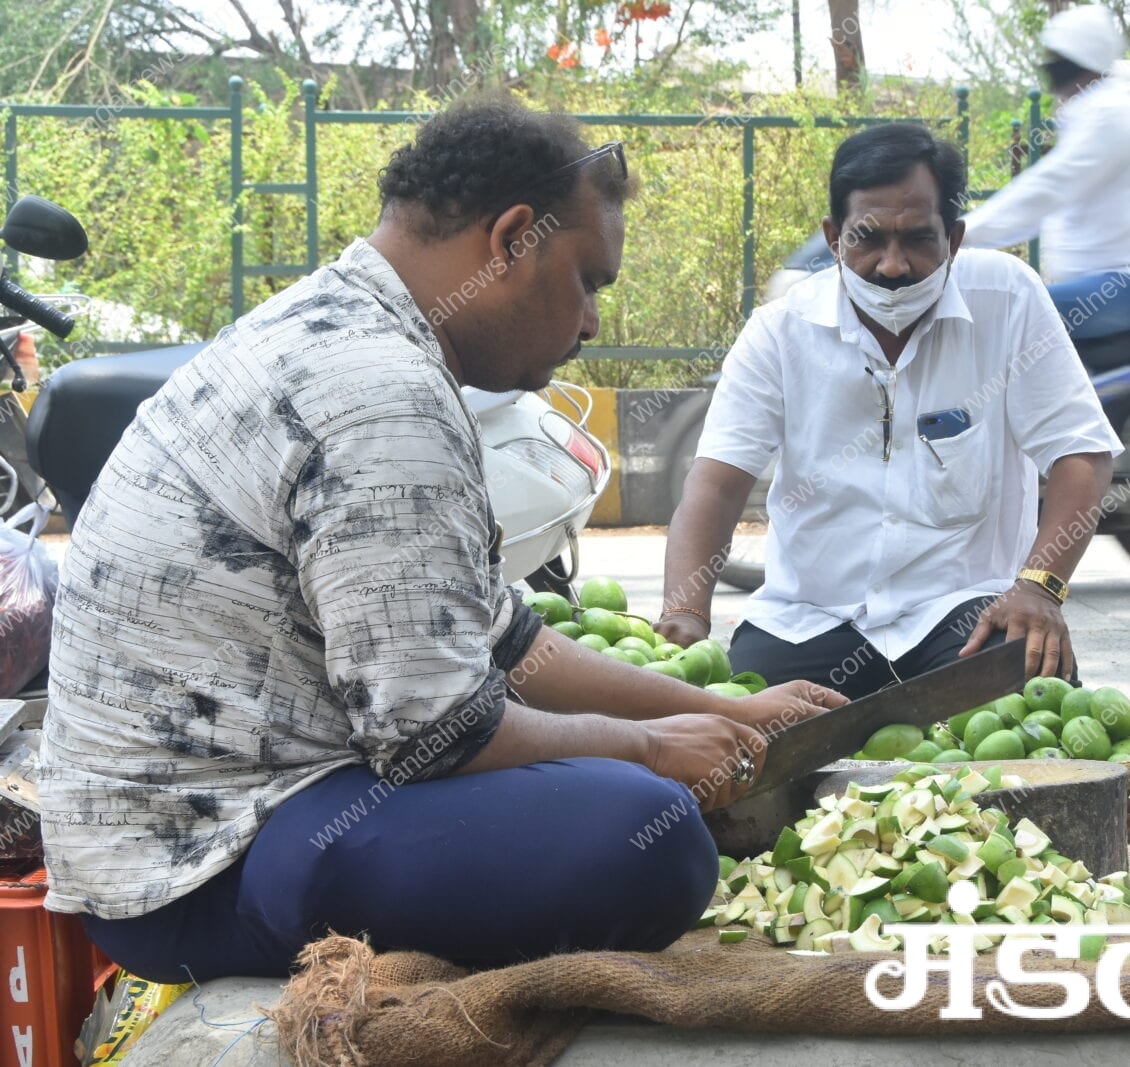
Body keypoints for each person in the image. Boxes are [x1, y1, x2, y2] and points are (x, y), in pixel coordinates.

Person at [36, 95, 844, 984]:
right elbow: (437, 732)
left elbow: (506, 639)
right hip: (204, 866)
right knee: (649, 837)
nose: (592, 326)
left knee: (631, 804)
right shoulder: (382, 393)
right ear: (510, 242)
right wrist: (656, 747)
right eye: (589, 281)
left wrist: (725, 713)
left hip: (230, 822)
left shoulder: (340, 324)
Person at [655, 122, 1121, 701]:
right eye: (868, 238)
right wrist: (686, 616)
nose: (893, 265)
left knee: (1027, 690)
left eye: (918, 240)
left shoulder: (1009, 299)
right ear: (833, 237)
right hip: (809, 618)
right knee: (735, 733)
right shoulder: (781, 330)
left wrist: (1038, 588)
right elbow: (717, 485)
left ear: (954, 238)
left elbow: (1082, 454)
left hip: (962, 613)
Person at [961, 4, 1130, 340]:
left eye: (1059, 59)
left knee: (1010, 313)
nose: (1051, 69)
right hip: (1110, 282)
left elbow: (1046, 190)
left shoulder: (1109, 113)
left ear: (1078, 63)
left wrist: (960, 234)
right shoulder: (1097, 109)